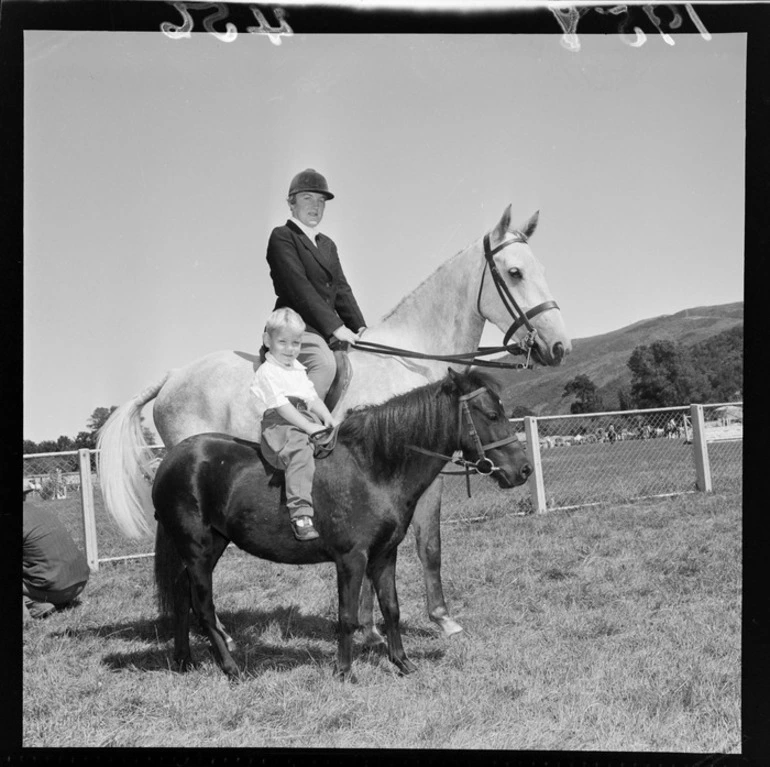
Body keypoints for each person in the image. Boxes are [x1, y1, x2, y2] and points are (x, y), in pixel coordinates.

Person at [266, 168, 367, 401]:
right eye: (307, 198)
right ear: (291, 203)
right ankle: (300, 432)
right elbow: (300, 287)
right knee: (324, 365)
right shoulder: (282, 236)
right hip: (294, 327)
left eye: (321, 200)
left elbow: (341, 289)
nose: (316, 206)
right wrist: (337, 327)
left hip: (325, 330)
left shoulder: (327, 244)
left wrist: (361, 328)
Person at [251, 307, 340, 541]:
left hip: (302, 417)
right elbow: (282, 407)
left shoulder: (298, 370)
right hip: (279, 425)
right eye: (283, 342)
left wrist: (327, 417)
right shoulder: (267, 372)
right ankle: (300, 515)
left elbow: (311, 398)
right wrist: (310, 428)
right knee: (300, 450)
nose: (291, 350)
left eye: (296, 343)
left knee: (335, 443)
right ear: (267, 340)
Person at [23, 506, 90, 620]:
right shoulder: (41, 510)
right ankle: (53, 603)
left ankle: (32, 607)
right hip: (79, 583)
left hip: (55, 588)